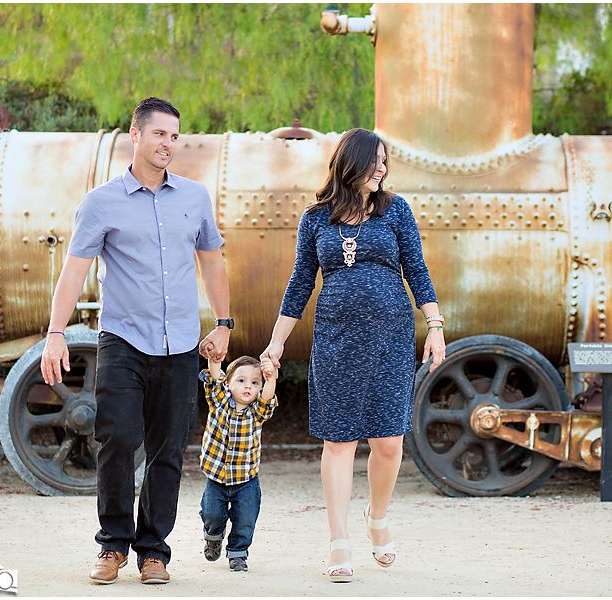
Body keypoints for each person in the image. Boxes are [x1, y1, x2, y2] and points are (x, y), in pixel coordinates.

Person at [39, 97, 233, 585]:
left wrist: (224, 322)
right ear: (136, 135)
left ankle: (154, 552)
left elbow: (211, 260)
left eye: (175, 136)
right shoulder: (102, 201)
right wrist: (55, 334)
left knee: (168, 450)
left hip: (181, 344)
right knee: (118, 438)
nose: (168, 143)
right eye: (160, 134)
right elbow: (74, 269)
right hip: (123, 339)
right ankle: (112, 546)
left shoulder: (194, 197)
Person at [261, 128, 446, 583]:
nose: (382, 169)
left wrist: (436, 326)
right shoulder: (315, 219)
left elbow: (417, 270)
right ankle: (338, 542)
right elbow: (301, 282)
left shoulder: (396, 210)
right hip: (336, 338)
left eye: (386, 162)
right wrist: (276, 342)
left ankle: (377, 518)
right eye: (375, 161)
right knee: (339, 440)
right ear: (351, 162)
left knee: (387, 441)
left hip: (391, 336)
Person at [198, 355, 278, 573]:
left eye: (255, 383)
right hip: (216, 476)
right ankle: (213, 538)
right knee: (212, 514)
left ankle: (238, 553)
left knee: (246, 520)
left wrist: (271, 378)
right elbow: (214, 377)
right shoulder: (219, 401)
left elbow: (268, 398)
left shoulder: (257, 412)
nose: (247, 386)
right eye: (241, 381)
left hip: (246, 480)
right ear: (228, 384)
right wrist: (215, 359)